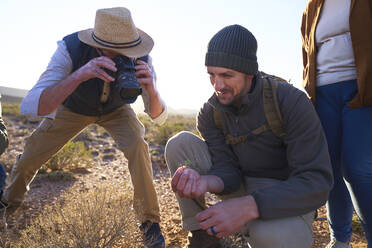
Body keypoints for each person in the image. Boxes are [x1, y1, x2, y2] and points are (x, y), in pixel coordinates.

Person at [0, 7, 167, 248]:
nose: (123, 57)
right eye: (115, 52)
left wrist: (151, 89)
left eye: (127, 51)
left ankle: (149, 222)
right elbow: (29, 106)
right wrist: (79, 75)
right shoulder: (70, 50)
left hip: (116, 110)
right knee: (31, 155)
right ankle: (8, 204)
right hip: (73, 108)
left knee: (138, 145)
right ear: (98, 47)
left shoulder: (140, 57)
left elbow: (158, 117)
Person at [165, 24, 334, 248]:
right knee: (180, 144)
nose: (218, 85)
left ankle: (262, 228)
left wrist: (251, 205)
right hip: (241, 189)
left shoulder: (290, 101)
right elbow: (228, 170)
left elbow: (317, 182)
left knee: (272, 237)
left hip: (284, 198)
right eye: (212, 75)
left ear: (249, 73)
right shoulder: (211, 112)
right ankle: (202, 237)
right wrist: (204, 181)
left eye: (227, 75)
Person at [301, 1, 372, 247]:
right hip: (323, 92)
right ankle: (340, 240)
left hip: (362, 88)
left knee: (356, 168)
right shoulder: (312, 6)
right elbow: (306, 49)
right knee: (330, 168)